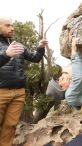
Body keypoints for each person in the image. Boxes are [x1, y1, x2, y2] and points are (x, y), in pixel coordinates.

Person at [0, 16, 48, 146]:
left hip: (19, 93)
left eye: (12, 25)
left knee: (10, 126)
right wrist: (5, 55)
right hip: (1, 92)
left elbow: (35, 58)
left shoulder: (19, 45)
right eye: (8, 25)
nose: (12, 28)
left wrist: (40, 47)